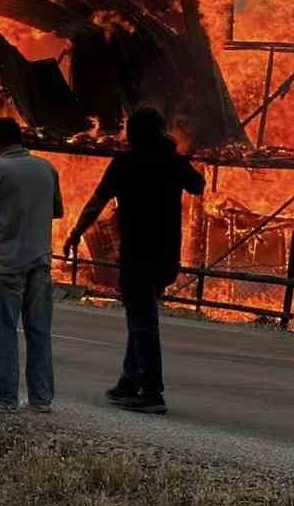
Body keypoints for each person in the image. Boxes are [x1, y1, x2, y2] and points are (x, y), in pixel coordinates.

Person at [65, 107, 204, 415]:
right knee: (140, 318)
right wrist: (173, 153)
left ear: (135, 134)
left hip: (137, 256)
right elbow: (198, 185)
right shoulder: (173, 162)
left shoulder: (125, 163)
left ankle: (152, 392)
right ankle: (129, 381)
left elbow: (96, 204)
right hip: (166, 255)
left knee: (143, 323)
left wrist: (76, 233)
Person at [0, 116, 63, 412]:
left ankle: (5, 397)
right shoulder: (46, 167)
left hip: (7, 263)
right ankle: (40, 399)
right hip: (40, 262)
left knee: (6, 330)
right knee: (39, 331)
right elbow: (57, 211)